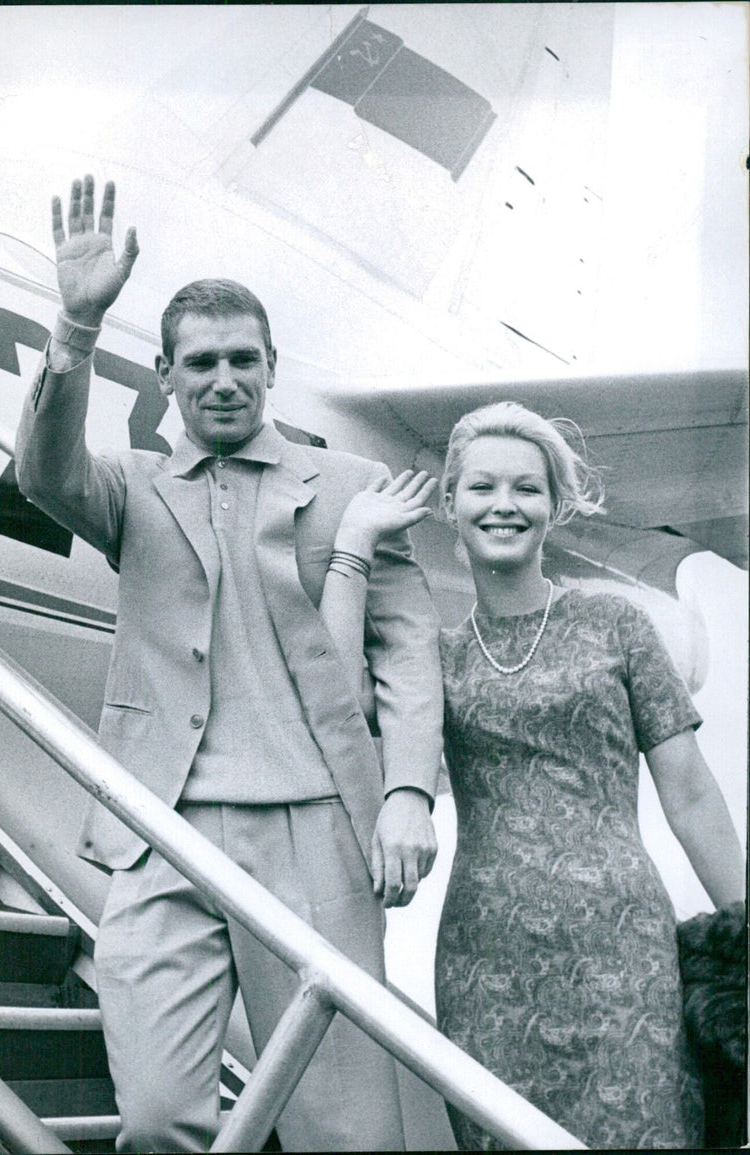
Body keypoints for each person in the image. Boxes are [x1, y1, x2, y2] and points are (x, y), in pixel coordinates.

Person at [15, 176, 444, 1153]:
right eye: (199, 362)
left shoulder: (351, 486)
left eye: (242, 361)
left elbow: (407, 656)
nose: (223, 380)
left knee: (342, 1130)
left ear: (271, 368)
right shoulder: (129, 488)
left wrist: (409, 794)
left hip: (312, 834)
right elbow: (41, 471)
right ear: (163, 374)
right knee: (160, 1115)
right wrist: (74, 332)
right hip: (159, 832)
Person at [325, 401, 745, 1150]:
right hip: (487, 961)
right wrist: (352, 549)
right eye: (482, 487)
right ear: (450, 504)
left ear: (556, 506)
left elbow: (689, 792)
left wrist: (746, 926)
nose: (505, 505)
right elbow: (332, 700)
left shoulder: (618, 627)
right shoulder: (435, 660)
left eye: (527, 487)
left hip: (625, 951)